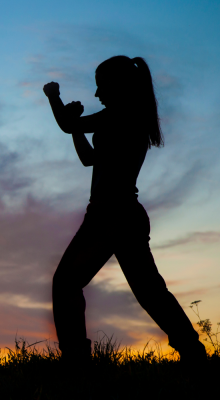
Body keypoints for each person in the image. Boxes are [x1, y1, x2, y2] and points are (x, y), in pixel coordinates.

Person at [43, 55, 207, 365]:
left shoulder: (121, 116)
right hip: (123, 215)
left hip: (111, 215)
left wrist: (54, 95)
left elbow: (66, 125)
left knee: (66, 282)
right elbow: (89, 159)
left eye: (100, 86)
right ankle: (194, 355)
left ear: (118, 86)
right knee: (150, 293)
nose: (96, 94)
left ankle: (76, 362)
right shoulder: (126, 118)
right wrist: (78, 127)